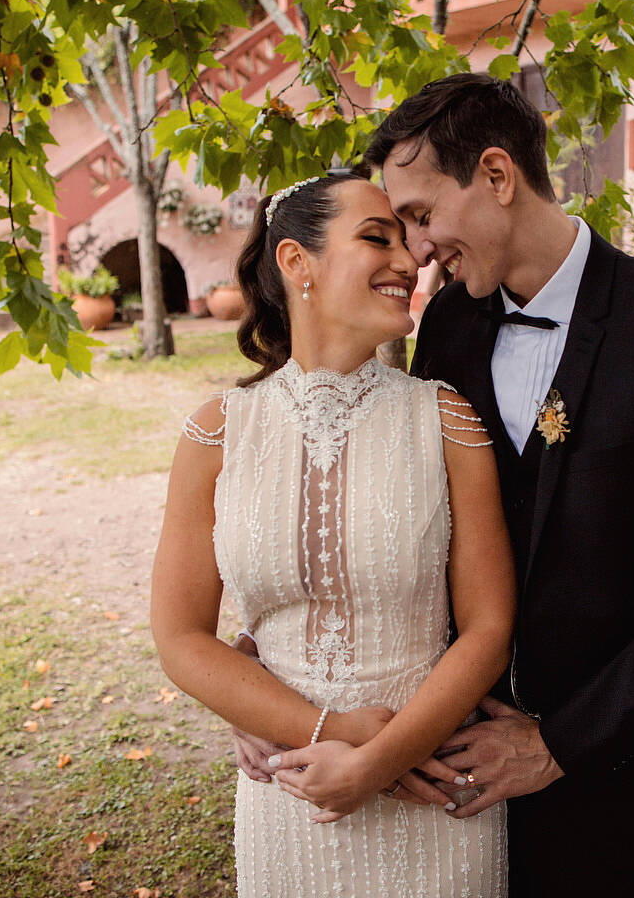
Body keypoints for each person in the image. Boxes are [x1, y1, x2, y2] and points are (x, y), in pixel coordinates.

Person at [369, 72, 634, 896]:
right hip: (467, 779)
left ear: (496, 176)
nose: (417, 251)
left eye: (421, 216)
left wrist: (559, 741)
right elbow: (423, 519)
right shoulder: (449, 327)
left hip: (621, 777)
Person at [150, 170, 516, 897]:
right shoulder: (215, 434)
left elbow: (488, 627)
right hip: (292, 795)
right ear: (297, 263)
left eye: (407, 242)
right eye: (376, 238)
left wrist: (384, 759)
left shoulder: (445, 421)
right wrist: (325, 731)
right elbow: (180, 638)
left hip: (435, 791)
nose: (409, 262)